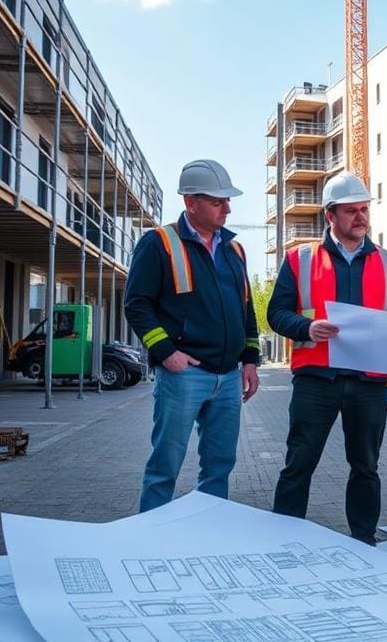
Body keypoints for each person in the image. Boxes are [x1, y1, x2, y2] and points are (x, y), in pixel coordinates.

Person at [268, 171, 387, 545]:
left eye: (364, 209)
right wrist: (307, 328)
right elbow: (276, 313)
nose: (361, 217)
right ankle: (280, 539)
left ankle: (363, 540)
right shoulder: (299, 260)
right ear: (330, 216)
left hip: (369, 384)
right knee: (299, 464)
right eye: (351, 211)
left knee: (366, 467)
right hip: (315, 381)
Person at [125, 159, 260, 512]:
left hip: (229, 376)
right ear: (191, 202)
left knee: (219, 465)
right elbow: (136, 305)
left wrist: (250, 360)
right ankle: (151, 537)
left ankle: (208, 532)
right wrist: (167, 353)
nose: (227, 208)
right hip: (184, 375)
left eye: (227, 201)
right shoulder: (159, 243)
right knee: (164, 466)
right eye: (218, 201)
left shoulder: (235, 250)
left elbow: (245, 309)